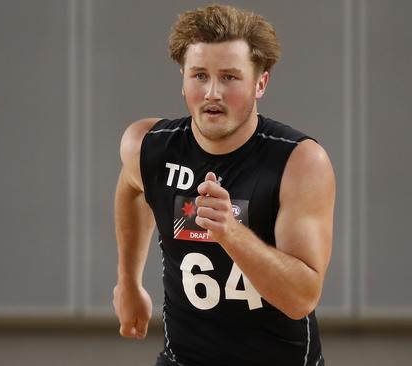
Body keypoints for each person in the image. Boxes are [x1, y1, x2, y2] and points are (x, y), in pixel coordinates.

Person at [112, 4, 335, 366]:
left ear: (260, 83)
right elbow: (131, 187)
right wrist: (128, 282)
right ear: (182, 77)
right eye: (199, 75)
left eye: (230, 77)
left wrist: (231, 232)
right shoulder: (148, 144)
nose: (212, 92)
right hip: (182, 358)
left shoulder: (301, 162)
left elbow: (302, 298)